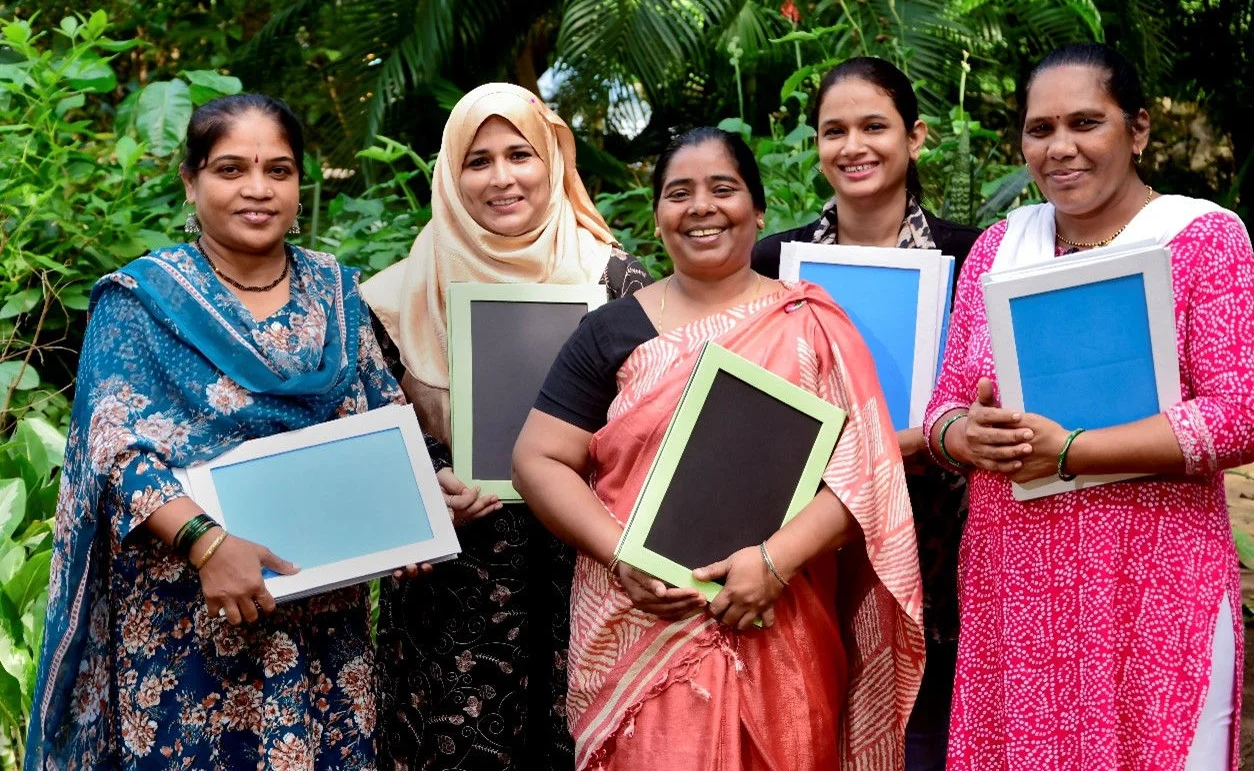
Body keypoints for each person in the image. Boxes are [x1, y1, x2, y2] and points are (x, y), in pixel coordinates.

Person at [511, 127, 925, 770]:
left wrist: (774, 563)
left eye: (722, 189)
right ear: (657, 218)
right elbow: (538, 459)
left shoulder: (812, 324)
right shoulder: (610, 331)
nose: (701, 207)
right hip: (643, 625)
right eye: (679, 193)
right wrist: (621, 554)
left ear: (758, 212)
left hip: (782, 619)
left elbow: (866, 475)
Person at [27, 94, 417, 769]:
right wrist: (208, 546)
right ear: (191, 181)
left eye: (278, 170)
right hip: (188, 612)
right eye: (231, 169)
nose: (258, 189)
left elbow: (383, 414)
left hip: (322, 612)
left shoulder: (335, 291)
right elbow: (114, 447)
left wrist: (420, 501)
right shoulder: (142, 298)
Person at [924, 43, 1254, 770]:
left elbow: (1247, 412)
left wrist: (1070, 450)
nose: (1060, 147)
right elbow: (944, 406)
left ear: (1138, 128)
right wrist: (964, 435)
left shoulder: (1199, 238)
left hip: (1155, 578)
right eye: (1040, 129)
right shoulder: (1000, 248)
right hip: (1017, 587)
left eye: (1085, 122)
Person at [363, 83, 651, 770]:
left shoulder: (614, 281)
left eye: (520, 154)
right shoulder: (394, 297)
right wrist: (428, 481)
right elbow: (374, 431)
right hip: (454, 587)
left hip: (587, 568)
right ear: (450, 173)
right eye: (478, 160)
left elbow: (653, 422)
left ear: (552, 160)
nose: (501, 178)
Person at [750, 55, 980, 769]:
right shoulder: (774, 263)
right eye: (834, 131)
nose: (853, 146)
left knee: (922, 730)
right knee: (813, 720)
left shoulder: (971, 256)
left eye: (873, 126)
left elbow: (990, 394)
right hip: (809, 538)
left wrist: (915, 439)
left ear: (916, 136)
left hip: (936, 538)